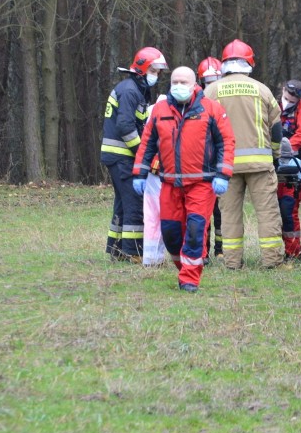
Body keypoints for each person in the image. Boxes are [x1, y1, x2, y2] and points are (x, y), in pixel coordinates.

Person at [133, 66, 235, 292]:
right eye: (175, 82)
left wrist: (223, 174)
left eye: (183, 82)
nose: (179, 86)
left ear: (194, 84)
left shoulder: (211, 109)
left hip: (202, 183)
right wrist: (139, 173)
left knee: (195, 230)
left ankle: (189, 278)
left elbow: (226, 143)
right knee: (170, 233)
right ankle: (183, 266)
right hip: (169, 183)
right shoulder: (160, 110)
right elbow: (147, 144)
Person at [203, 39, 284, 270]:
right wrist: (275, 155)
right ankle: (272, 261)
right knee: (267, 213)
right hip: (260, 164)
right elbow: (276, 129)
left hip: (225, 167)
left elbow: (203, 129)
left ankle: (232, 262)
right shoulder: (262, 89)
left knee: (229, 216)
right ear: (249, 63)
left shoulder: (211, 91)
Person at [100, 46, 168, 263]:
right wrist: (142, 154)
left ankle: (116, 249)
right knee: (134, 203)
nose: (156, 76)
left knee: (122, 203)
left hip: (116, 155)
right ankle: (133, 252)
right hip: (122, 156)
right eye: (154, 71)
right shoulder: (130, 90)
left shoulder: (132, 88)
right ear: (142, 69)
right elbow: (126, 127)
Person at [276, 79, 301, 262]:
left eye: (293, 99)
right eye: (287, 97)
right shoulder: (274, 104)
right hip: (276, 163)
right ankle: (289, 250)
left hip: (296, 164)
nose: (289, 101)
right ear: (283, 90)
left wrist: (286, 148)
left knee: (289, 207)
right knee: (278, 207)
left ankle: (293, 250)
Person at [197, 56, 225, 261]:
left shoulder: (226, 102)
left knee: (222, 210)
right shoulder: (196, 103)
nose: (211, 87)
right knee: (205, 208)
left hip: (221, 159)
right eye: (208, 83)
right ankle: (203, 250)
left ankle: (221, 249)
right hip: (203, 161)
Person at [141, 95, 167, 267]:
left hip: (153, 169)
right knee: (165, 214)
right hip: (163, 170)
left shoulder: (151, 111)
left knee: (152, 215)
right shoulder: (169, 112)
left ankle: (151, 258)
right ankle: (157, 256)